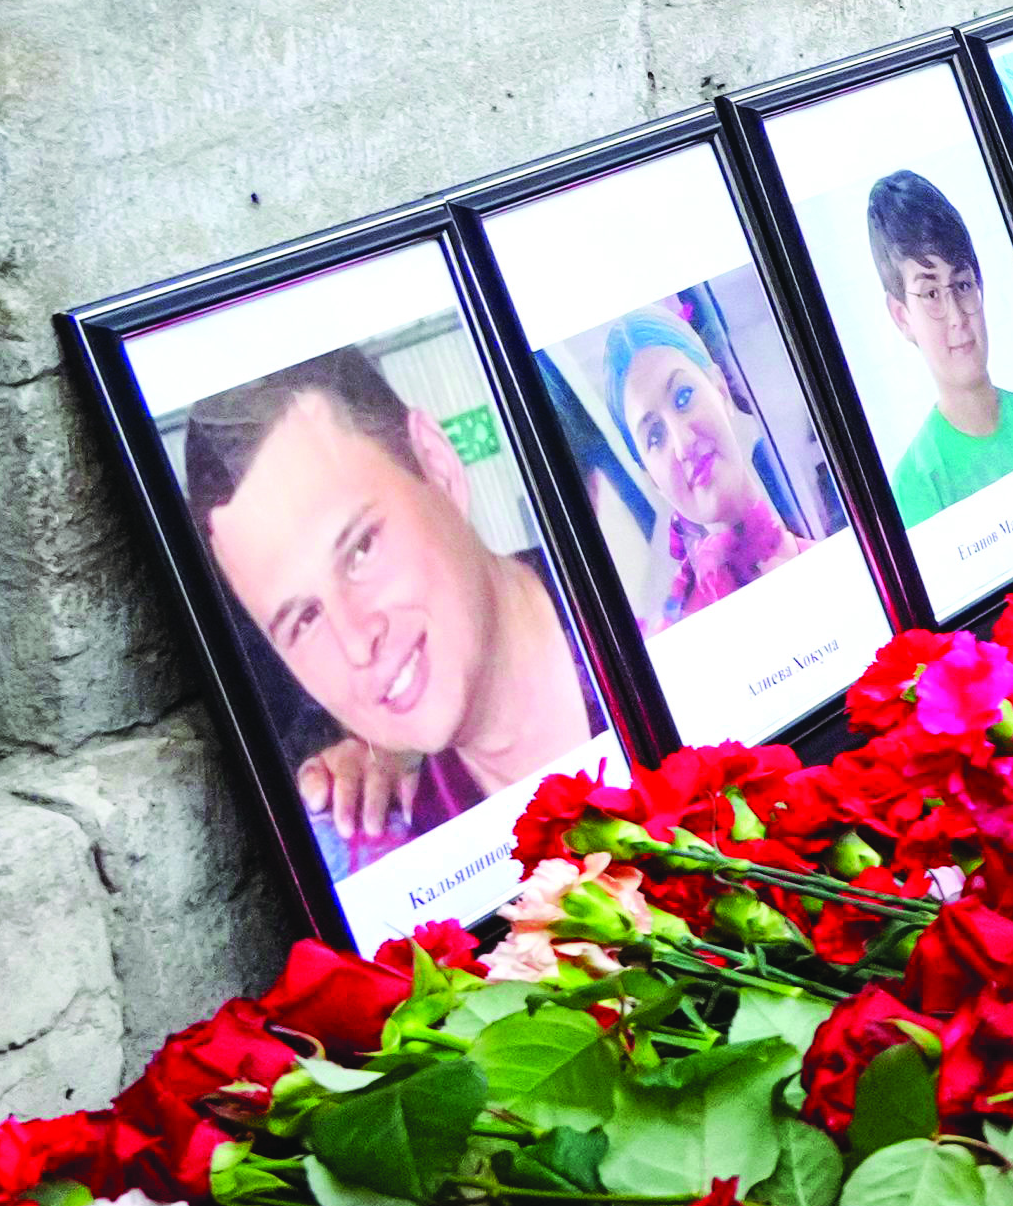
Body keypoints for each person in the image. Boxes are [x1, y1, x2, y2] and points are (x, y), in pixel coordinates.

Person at [181, 343, 608, 873]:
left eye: (361, 549)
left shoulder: (660, 605)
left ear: (438, 466)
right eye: (304, 620)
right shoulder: (401, 857)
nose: (356, 642)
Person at [865, 170, 1013, 519]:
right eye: (931, 293)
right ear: (902, 316)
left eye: (962, 285)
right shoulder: (916, 486)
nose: (956, 317)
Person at [596, 307, 814, 624]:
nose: (683, 443)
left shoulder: (847, 561)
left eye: (683, 397)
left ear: (721, 391)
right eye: (655, 435)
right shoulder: (678, 637)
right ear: (651, 478)